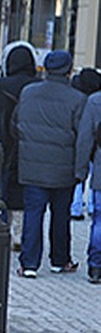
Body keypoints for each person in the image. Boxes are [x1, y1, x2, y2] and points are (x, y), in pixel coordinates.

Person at [13, 49, 85, 277]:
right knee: (61, 214)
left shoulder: (29, 93)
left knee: (33, 213)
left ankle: (29, 263)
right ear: (68, 70)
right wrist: (80, 169)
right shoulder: (77, 99)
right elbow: (82, 136)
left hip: (32, 165)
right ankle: (59, 259)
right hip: (64, 167)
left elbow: (16, 124)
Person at [0, 42, 40, 252]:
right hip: (31, 146)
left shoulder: (0, 86)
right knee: (24, 192)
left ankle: (3, 228)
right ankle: (20, 232)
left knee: (3, 188)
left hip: (4, 144)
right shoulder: (38, 86)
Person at [75, 79, 101, 283]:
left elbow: (85, 139)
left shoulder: (95, 101)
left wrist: (81, 170)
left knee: (99, 221)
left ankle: (95, 266)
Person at [70, 68, 101, 220]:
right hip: (96, 147)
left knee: (80, 177)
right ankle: (90, 205)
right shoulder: (94, 100)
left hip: (84, 142)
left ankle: (76, 207)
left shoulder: (85, 100)